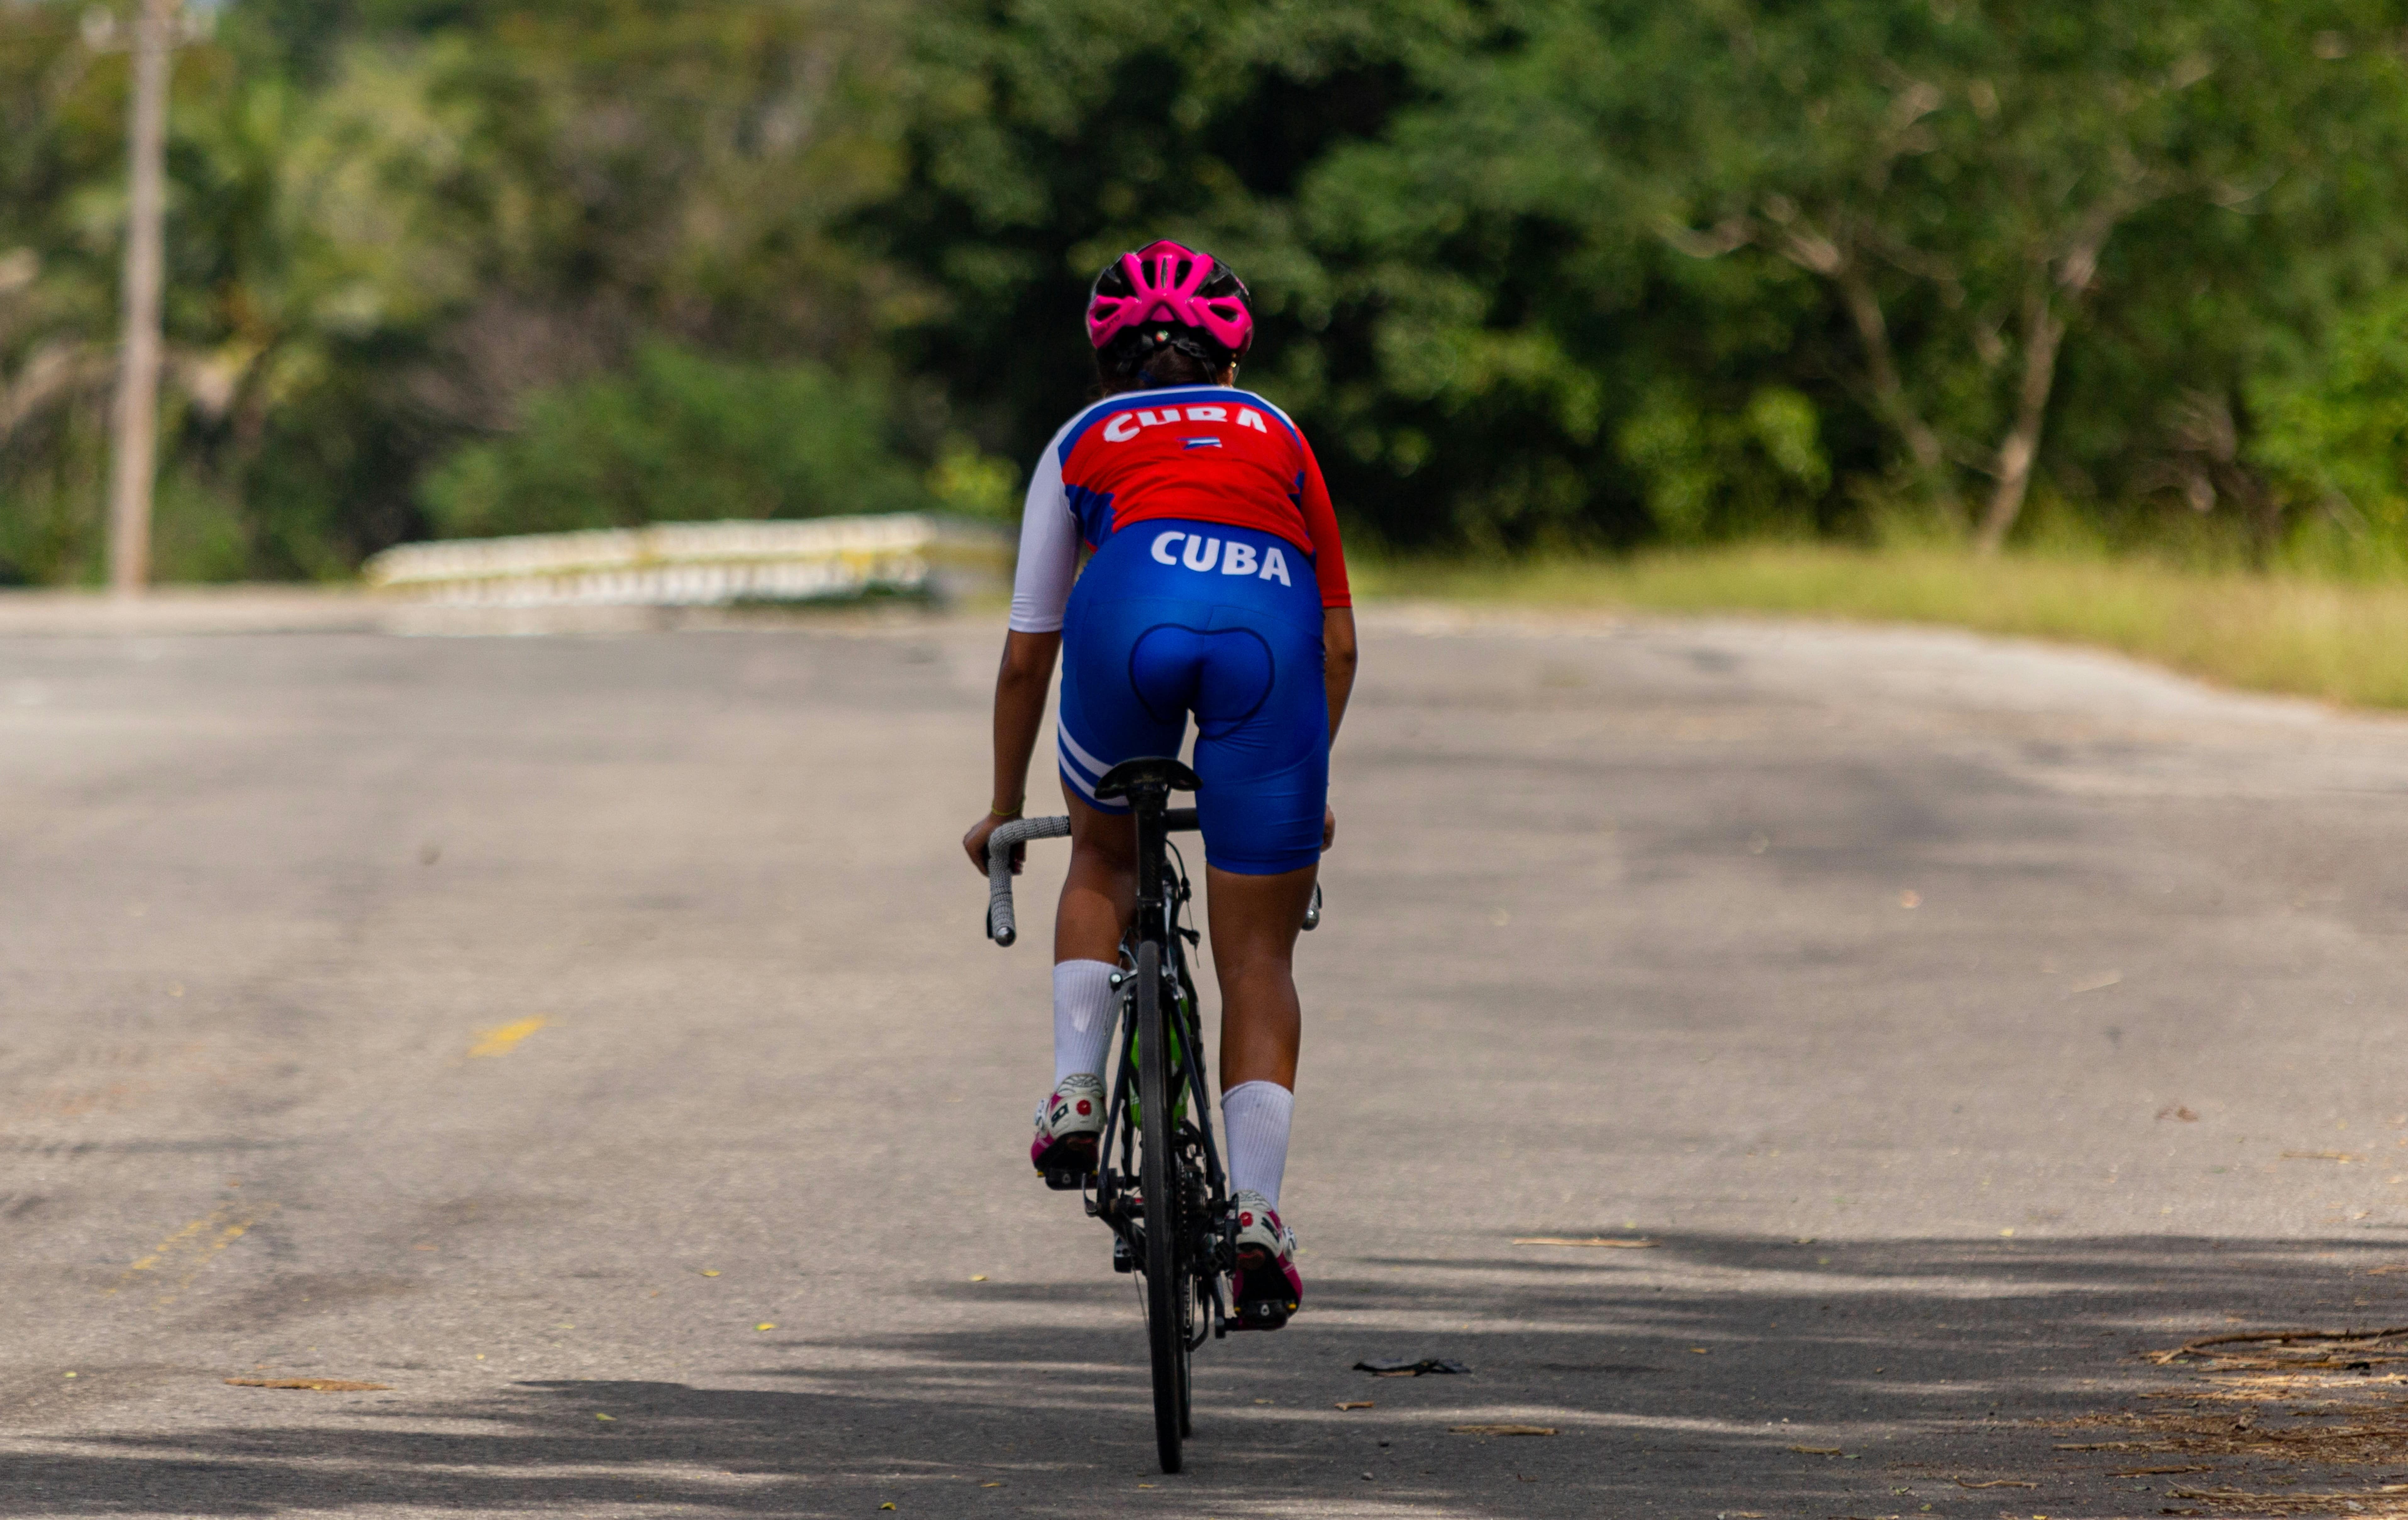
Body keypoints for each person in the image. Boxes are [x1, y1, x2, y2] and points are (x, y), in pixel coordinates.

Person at [960, 240, 1358, 1328]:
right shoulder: (1275, 430)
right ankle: (1259, 1214)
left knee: (1100, 852)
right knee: (1258, 953)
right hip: (1269, 639)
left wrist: (1004, 810)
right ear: (1231, 361)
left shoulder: (1080, 438)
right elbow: (1336, 646)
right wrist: (1303, 774)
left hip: (1126, 614)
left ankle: (1077, 1086)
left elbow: (1025, 652)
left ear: (1104, 365)